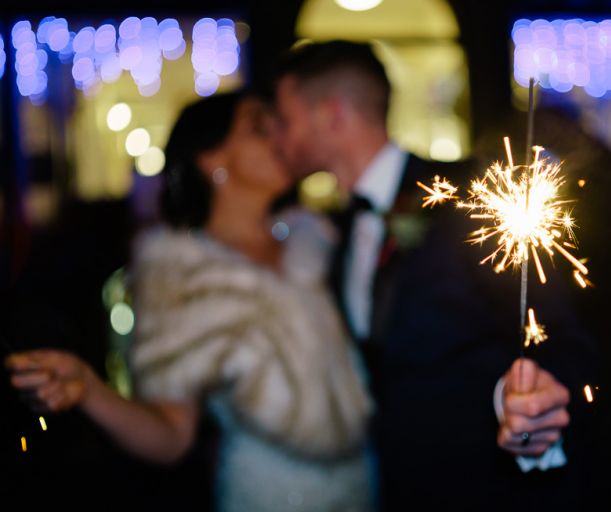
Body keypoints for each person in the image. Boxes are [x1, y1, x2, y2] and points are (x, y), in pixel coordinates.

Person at [6, 90, 373, 512]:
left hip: (367, 481)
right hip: (272, 494)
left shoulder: (315, 240)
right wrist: (90, 390)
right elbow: (171, 436)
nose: (280, 138)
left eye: (279, 125)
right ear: (211, 158)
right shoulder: (180, 274)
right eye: (259, 127)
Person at [271, 40, 596, 510]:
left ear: (332, 115)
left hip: (490, 487)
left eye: (286, 119)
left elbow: (562, 334)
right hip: (395, 484)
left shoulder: (469, 198)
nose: (279, 137)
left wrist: (530, 404)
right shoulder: (339, 231)